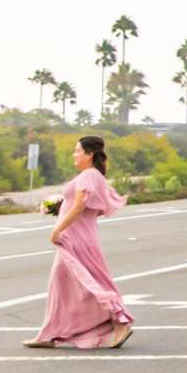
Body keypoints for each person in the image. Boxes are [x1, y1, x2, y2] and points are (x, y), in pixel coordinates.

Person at [26, 134, 134, 350]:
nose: (74, 154)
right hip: (84, 236)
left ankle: (118, 321)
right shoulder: (96, 177)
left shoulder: (87, 176)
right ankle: (51, 333)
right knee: (72, 283)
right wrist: (59, 207)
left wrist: (58, 228)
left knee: (81, 282)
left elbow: (78, 207)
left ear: (89, 154)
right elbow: (94, 208)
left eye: (77, 151)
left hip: (75, 238)